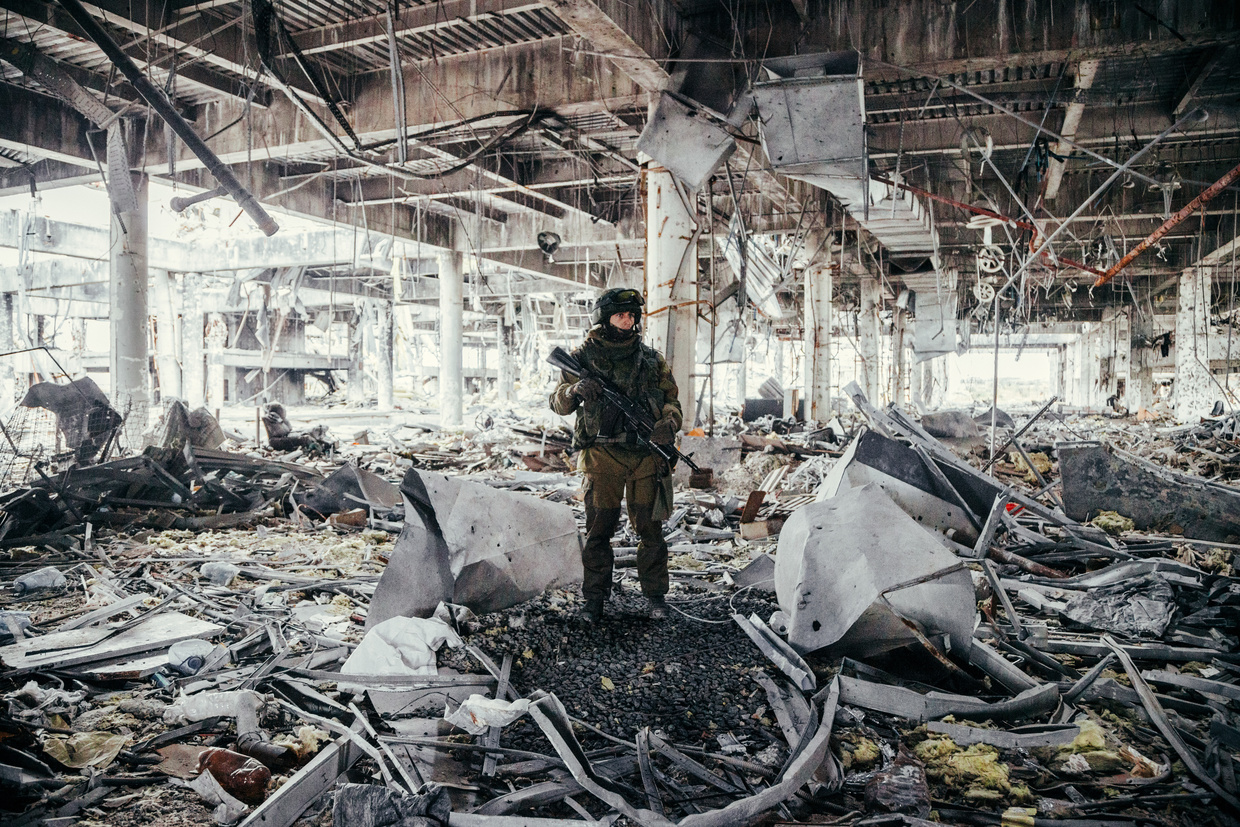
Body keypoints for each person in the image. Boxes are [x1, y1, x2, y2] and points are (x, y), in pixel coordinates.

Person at [549, 288, 682, 623]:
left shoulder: (652, 360)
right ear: (603, 317)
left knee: (651, 533)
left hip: (643, 458)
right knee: (598, 532)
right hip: (601, 458)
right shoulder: (581, 358)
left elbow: (672, 401)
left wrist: (669, 422)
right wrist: (576, 389)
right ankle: (594, 602)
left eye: (633, 315)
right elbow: (557, 403)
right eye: (621, 314)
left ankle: (655, 598)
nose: (629, 320)